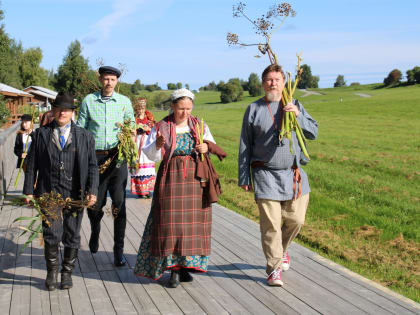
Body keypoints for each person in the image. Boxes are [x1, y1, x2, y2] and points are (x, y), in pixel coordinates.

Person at [134, 88, 226, 288]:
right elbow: (150, 155)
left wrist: (205, 147)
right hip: (171, 178)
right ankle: (173, 269)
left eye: (189, 108)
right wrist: (157, 145)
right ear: (173, 106)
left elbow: (211, 144)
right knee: (169, 224)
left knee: (190, 225)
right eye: (181, 108)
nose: (185, 112)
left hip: (195, 180)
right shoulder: (162, 126)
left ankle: (184, 267)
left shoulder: (199, 125)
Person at [238, 64, 318, 286]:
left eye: (276, 79)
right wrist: (244, 177)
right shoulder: (253, 109)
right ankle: (274, 268)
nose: (272, 83)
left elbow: (314, 132)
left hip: (294, 175)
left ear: (284, 83)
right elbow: (245, 144)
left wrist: (298, 115)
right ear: (262, 83)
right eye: (268, 80)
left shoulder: (294, 104)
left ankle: (282, 250)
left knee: (296, 220)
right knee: (271, 225)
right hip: (264, 174)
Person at [23, 92, 98, 291]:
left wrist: (93, 191)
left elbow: (92, 166)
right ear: (53, 111)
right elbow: (31, 165)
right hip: (49, 192)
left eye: (66, 110)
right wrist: (29, 191)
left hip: (76, 194)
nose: (62, 113)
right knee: (51, 233)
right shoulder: (40, 134)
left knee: (72, 234)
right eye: (58, 109)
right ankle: (51, 272)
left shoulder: (85, 136)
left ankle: (67, 273)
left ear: (72, 112)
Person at [77, 65, 135, 266]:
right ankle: (95, 229)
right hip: (95, 160)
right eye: (105, 79)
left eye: (112, 79)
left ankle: (118, 250)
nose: (108, 82)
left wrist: (130, 133)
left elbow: (131, 125)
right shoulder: (89, 101)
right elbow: (80, 130)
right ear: (100, 80)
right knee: (94, 204)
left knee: (119, 205)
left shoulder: (124, 102)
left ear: (117, 81)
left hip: (118, 158)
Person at [130, 97, 156, 198]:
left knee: (148, 164)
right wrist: (134, 131)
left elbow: (154, 129)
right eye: (139, 108)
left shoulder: (149, 117)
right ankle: (140, 191)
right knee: (138, 164)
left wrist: (148, 128)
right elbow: (130, 129)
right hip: (137, 141)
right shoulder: (133, 118)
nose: (141, 110)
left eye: (142, 107)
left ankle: (148, 190)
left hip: (147, 141)